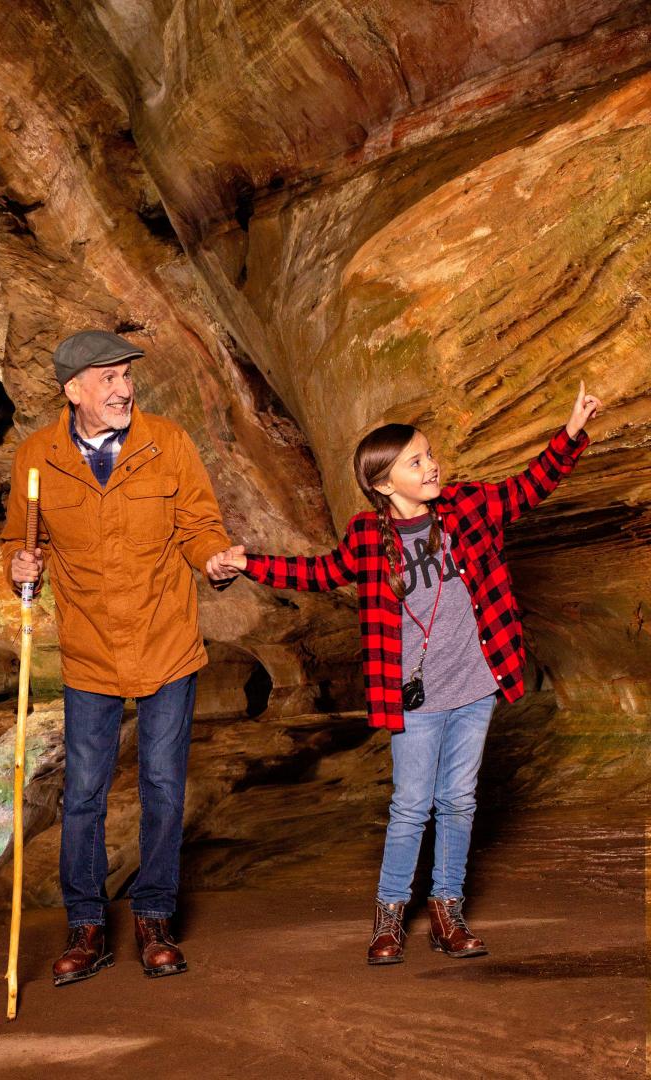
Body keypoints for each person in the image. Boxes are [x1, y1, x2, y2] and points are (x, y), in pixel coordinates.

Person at [206, 382, 602, 964]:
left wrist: (570, 432)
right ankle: (389, 918)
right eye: (416, 461)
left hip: (476, 684)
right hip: (414, 697)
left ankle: (447, 912)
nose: (431, 465)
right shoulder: (368, 537)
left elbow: (528, 488)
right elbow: (319, 574)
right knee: (412, 806)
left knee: (459, 800)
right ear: (385, 484)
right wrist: (249, 563)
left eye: (429, 454)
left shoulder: (467, 507)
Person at [2, 330, 235, 986]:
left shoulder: (169, 443)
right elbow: (20, 541)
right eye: (109, 378)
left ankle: (154, 917)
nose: (124, 389)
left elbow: (198, 526)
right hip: (90, 650)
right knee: (83, 794)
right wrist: (19, 567)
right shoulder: (36, 458)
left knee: (163, 784)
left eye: (127, 376)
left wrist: (213, 558)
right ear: (73, 390)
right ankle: (86, 927)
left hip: (166, 640)